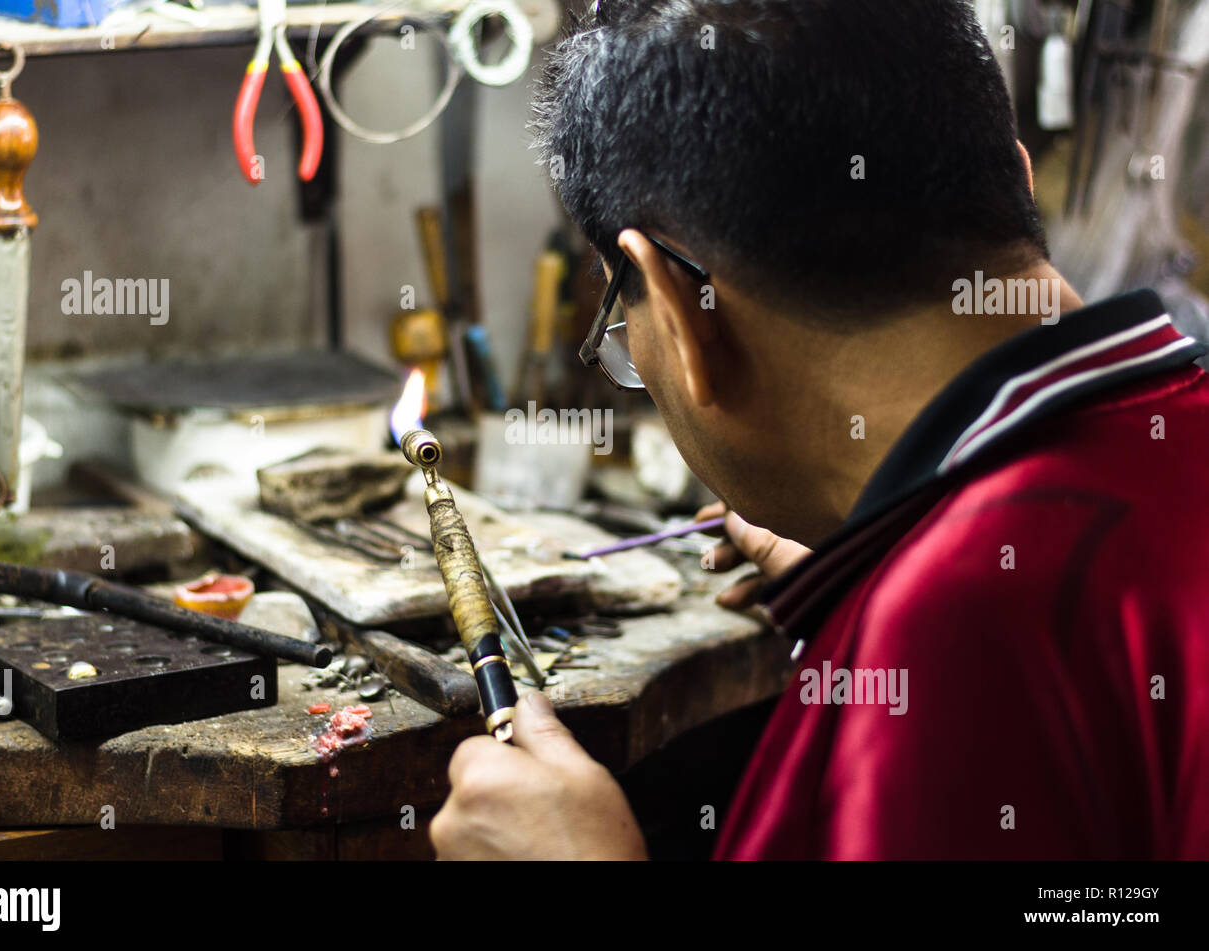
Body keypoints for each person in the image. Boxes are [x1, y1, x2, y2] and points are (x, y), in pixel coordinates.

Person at [429, 0, 1209, 859]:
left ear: (690, 314)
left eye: (624, 318)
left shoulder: (954, 628)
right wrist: (875, 567)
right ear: (1018, 181)